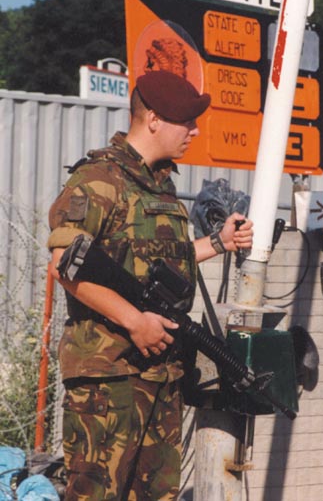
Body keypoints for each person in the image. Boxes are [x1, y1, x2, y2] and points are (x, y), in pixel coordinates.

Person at [47, 70, 254, 500]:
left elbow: (155, 261)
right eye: (186, 121)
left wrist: (219, 242)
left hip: (160, 375)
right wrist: (134, 320)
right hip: (109, 380)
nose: (195, 131)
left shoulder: (160, 185)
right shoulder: (100, 179)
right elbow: (65, 266)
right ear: (154, 119)